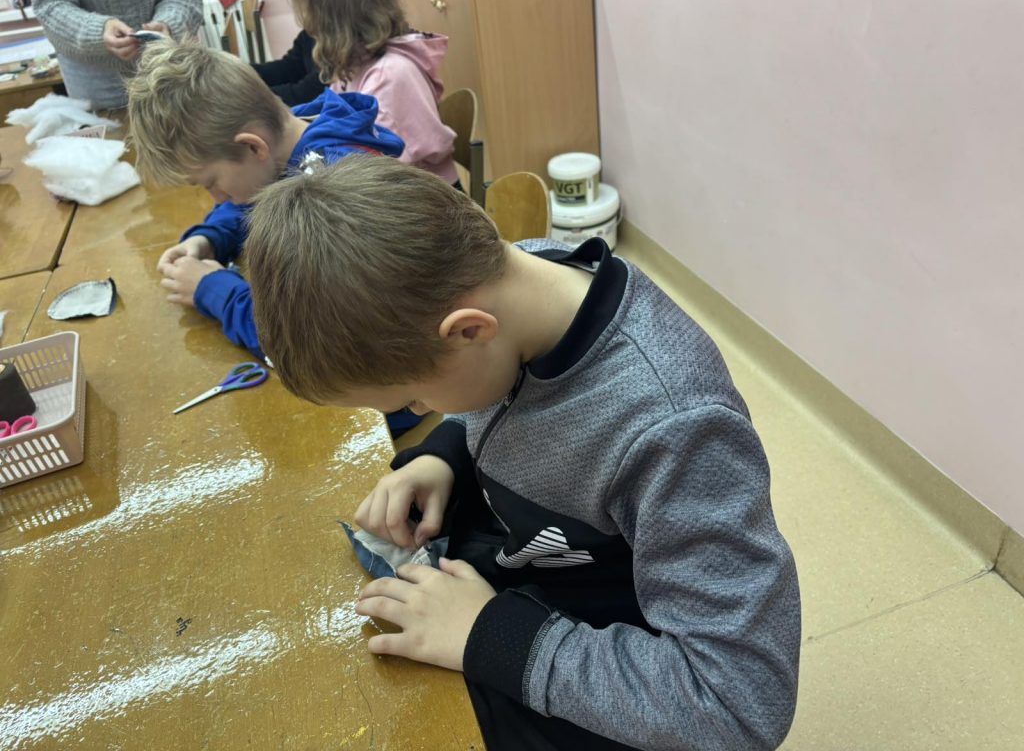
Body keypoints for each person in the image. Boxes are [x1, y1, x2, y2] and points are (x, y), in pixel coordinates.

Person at [242, 156, 803, 751]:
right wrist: (445, 453)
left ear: (469, 331)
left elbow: (738, 704)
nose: (420, 407)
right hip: (532, 580)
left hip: (606, 667)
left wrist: (490, 636)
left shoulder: (676, 430)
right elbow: (498, 398)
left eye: (412, 398)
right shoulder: (521, 277)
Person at [125, 41, 421, 437]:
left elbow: (301, 345)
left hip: (384, 409)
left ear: (252, 145)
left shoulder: (328, 198)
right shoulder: (299, 132)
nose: (215, 198)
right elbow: (255, 194)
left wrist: (212, 290)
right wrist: (210, 238)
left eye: (211, 182)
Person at [286, 0, 459, 187]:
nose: (307, 27)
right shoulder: (355, 66)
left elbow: (375, 173)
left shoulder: (388, 76)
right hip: (401, 189)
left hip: (425, 197)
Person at [33, 0, 202, 109]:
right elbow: (50, 4)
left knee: (180, 136)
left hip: (167, 66)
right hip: (92, 79)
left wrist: (170, 23)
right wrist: (96, 30)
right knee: (107, 141)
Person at [252, 29, 325, 106]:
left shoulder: (333, 46)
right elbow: (290, 67)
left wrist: (254, 94)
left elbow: (308, 92)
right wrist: (249, 71)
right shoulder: (309, 34)